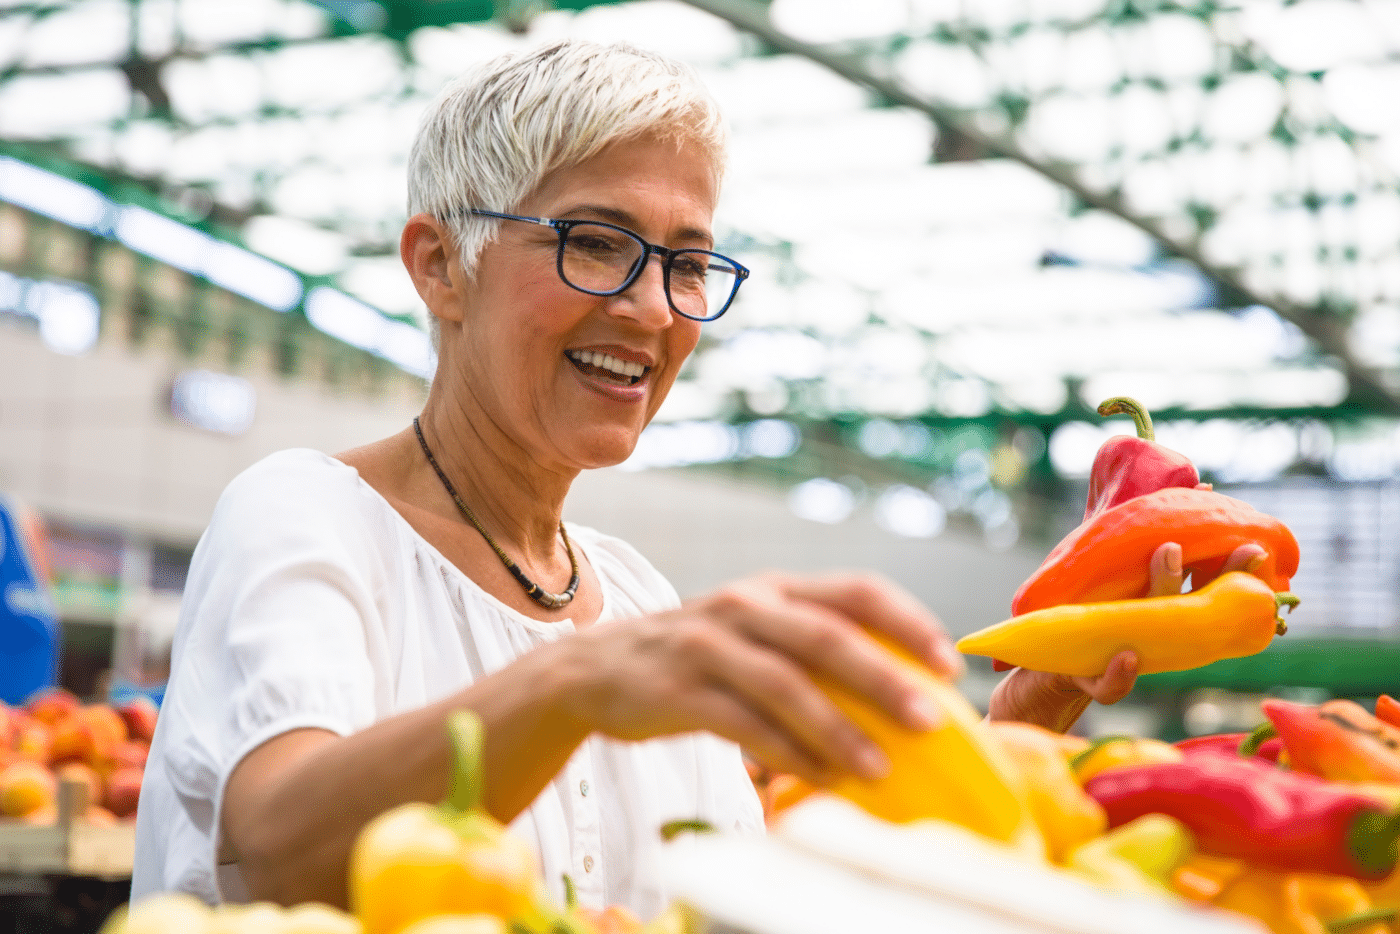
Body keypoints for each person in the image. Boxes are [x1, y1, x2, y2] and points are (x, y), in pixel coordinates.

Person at [130, 39, 1264, 919]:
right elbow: (280, 841)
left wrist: (1019, 719)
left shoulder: (636, 599)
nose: (652, 308)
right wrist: (573, 683)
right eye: (592, 240)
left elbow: (760, 893)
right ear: (441, 266)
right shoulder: (306, 515)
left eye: (684, 261)